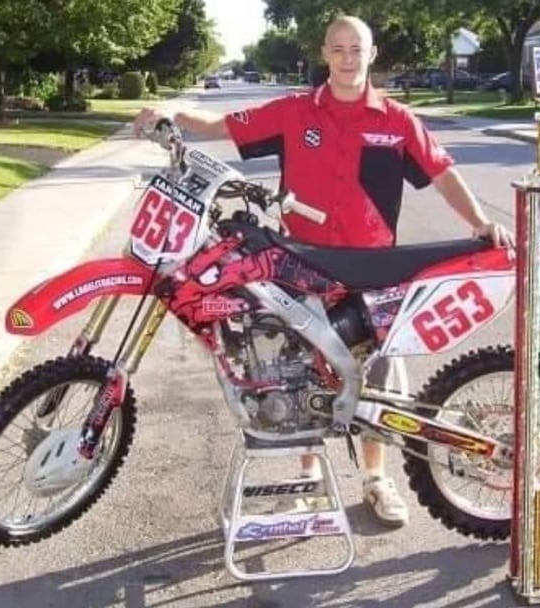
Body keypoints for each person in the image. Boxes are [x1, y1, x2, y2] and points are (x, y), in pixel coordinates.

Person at [134, 15, 513, 528]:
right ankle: (310, 476)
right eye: (338, 49)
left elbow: (442, 173)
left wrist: (482, 223)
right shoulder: (294, 112)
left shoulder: (397, 120)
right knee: (299, 367)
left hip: (374, 268)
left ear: (371, 54)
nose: (347, 58)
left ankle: (378, 480)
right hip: (301, 262)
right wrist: (174, 109)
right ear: (325, 53)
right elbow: (222, 127)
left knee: (378, 371)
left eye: (356, 49)